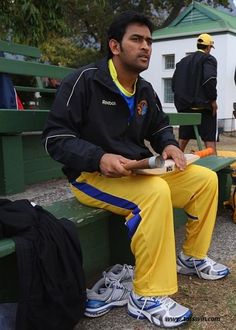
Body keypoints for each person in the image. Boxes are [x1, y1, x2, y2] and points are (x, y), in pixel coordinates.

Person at [42, 12, 229, 328]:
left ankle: (192, 256)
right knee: (154, 194)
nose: (146, 47)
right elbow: (55, 138)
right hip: (90, 176)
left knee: (205, 179)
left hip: (136, 172)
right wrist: (98, 157)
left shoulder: (144, 88)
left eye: (149, 41)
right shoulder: (84, 80)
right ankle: (146, 296)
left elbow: (159, 127)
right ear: (114, 45)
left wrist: (169, 144)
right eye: (137, 39)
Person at [172, 33, 218, 153]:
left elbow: (174, 84)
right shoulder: (208, 59)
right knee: (209, 140)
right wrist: (213, 100)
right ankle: (214, 167)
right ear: (208, 47)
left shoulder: (183, 62)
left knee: (182, 138)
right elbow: (209, 79)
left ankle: (174, 162)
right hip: (203, 107)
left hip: (186, 108)